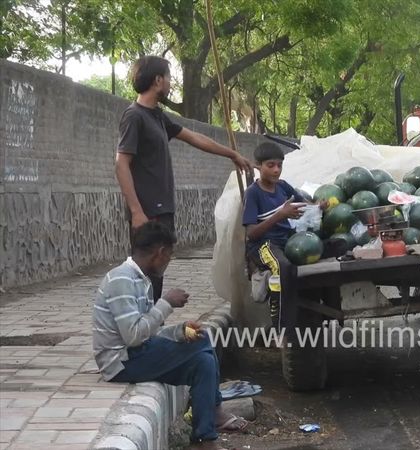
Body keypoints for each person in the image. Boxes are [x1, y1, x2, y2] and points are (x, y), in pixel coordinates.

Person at [93, 222, 246, 450]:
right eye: (170, 255)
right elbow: (133, 336)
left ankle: (205, 438)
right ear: (160, 252)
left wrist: (180, 331)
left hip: (137, 353)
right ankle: (215, 411)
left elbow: (148, 331)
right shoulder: (121, 279)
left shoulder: (140, 279)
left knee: (202, 360)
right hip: (121, 362)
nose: (168, 261)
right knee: (204, 343)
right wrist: (166, 302)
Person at [116, 55, 251, 300]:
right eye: (168, 78)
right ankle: (140, 328)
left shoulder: (157, 116)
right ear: (157, 80)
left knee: (157, 270)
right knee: (146, 271)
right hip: (148, 211)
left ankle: (150, 326)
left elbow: (194, 137)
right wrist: (136, 211)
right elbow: (121, 163)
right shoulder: (134, 116)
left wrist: (231, 153)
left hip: (162, 208)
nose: (170, 83)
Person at [242, 141, 327, 329]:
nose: (276, 170)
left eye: (279, 165)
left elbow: (304, 203)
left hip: (286, 241)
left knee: (332, 246)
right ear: (258, 166)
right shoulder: (253, 194)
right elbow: (251, 233)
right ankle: (281, 328)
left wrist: (318, 206)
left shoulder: (283, 187)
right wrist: (280, 214)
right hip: (263, 245)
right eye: (270, 165)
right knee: (283, 267)